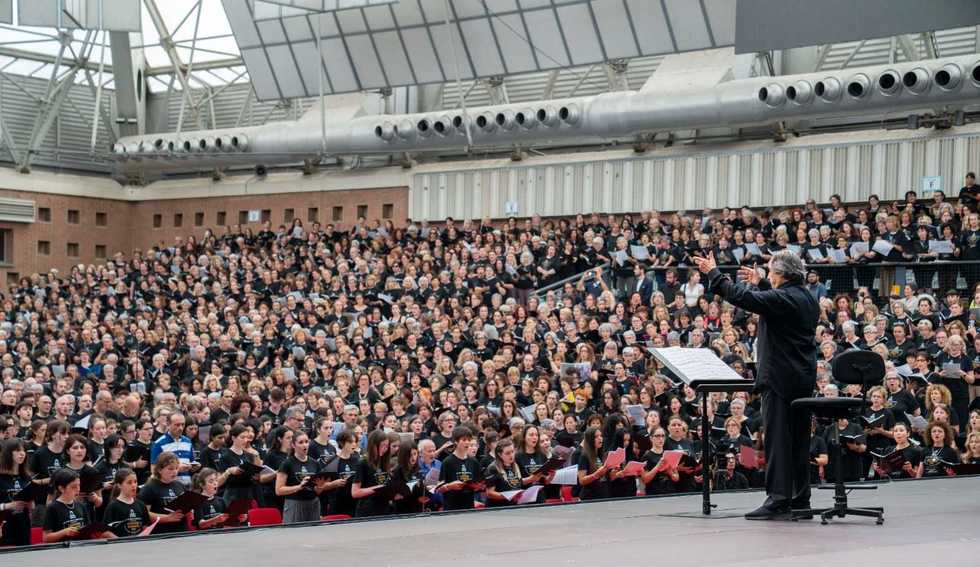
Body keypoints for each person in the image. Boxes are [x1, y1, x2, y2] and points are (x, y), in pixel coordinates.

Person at [693, 249, 819, 520]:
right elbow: (775, 301)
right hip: (802, 378)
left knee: (777, 442)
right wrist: (762, 282)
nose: (769, 276)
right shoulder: (806, 296)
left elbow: (743, 298)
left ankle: (777, 499)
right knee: (797, 441)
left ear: (783, 275)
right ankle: (800, 499)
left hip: (780, 379)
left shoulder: (784, 297)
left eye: (771, 272)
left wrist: (713, 274)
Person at [43, 469, 114, 542]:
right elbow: (46, 538)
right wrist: (63, 532)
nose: (78, 489)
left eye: (79, 485)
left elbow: (88, 530)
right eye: (73, 487)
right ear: (61, 488)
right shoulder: (52, 508)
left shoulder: (81, 506)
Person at [276, 431, 329, 523]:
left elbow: (317, 491)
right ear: (293, 445)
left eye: (306, 442)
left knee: (313, 533)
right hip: (295, 503)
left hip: (313, 502)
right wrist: (299, 486)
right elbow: (279, 490)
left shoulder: (315, 463)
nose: (305, 445)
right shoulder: (287, 463)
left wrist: (320, 486)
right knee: (295, 534)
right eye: (301, 442)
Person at [138, 452, 187, 534]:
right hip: (161, 533)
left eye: (176, 468)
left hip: (181, 531)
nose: (174, 472)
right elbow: (143, 514)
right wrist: (167, 518)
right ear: (160, 470)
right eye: (170, 469)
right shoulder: (149, 488)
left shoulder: (180, 485)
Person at [438, 426, 483, 511]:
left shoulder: (474, 462)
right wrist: (450, 486)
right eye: (464, 440)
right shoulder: (447, 462)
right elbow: (439, 488)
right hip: (452, 507)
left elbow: (478, 483)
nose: (467, 443)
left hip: (469, 506)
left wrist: (478, 486)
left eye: (469, 440)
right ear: (456, 441)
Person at [0, 438, 33, 546]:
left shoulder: (26, 477)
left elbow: (32, 506)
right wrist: (8, 505)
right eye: (17, 451)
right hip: (4, 524)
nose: (22, 454)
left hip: (23, 525)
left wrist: (31, 504)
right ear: (8, 453)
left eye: (24, 451)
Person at [103, 468, 152, 538]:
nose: (133, 485)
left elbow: (145, 526)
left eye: (135, 482)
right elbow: (105, 532)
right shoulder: (113, 506)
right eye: (129, 482)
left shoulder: (141, 505)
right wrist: (120, 541)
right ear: (119, 485)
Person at [577, 426, 612, 500]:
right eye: (596, 436)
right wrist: (596, 475)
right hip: (590, 497)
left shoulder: (602, 455)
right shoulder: (584, 456)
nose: (600, 438)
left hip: (604, 495)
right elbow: (582, 480)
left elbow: (605, 477)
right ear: (590, 439)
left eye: (600, 436)